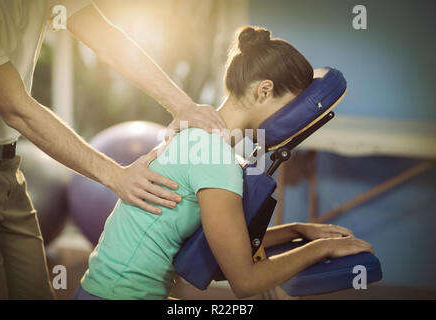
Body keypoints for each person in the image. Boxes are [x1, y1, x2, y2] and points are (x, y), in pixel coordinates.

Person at [74, 26, 375, 300]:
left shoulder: (196, 138)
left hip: (102, 290)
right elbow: (245, 280)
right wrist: (323, 248)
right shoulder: (217, 160)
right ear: (265, 90)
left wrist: (298, 230)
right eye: (291, 106)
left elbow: (222, 243)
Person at [0, 0, 226, 300]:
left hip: (7, 165)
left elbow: (108, 40)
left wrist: (183, 106)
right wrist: (115, 176)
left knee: (35, 291)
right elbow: (16, 108)